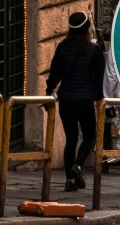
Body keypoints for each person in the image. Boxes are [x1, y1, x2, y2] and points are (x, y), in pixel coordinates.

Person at [46, 11, 107, 193]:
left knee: (71, 138)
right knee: (90, 135)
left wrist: (50, 90)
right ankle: (78, 166)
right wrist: (99, 97)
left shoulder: (63, 47)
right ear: (88, 29)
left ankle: (69, 180)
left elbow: (55, 71)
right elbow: (99, 76)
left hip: (66, 100)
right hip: (85, 100)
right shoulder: (94, 49)